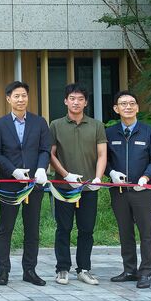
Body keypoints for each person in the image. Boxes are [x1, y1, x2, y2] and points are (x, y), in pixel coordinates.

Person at [0, 81, 51, 287]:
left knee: (32, 228)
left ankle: (29, 270)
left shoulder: (39, 122)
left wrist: (41, 168)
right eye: (16, 96)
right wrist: (13, 171)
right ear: (8, 99)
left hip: (34, 183)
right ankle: (3, 270)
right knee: (6, 227)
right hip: (9, 183)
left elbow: (45, 149)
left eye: (24, 95)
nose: (20, 99)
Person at [106, 90, 151, 289]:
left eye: (132, 103)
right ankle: (129, 270)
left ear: (138, 108)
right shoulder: (110, 133)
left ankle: (145, 272)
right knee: (125, 231)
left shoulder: (149, 132)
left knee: (146, 232)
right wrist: (111, 173)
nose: (128, 107)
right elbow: (103, 160)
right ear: (116, 109)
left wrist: (146, 177)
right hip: (119, 191)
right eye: (123, 103)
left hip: (143, 191)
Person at [49, 83, 106, 286]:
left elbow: (102, 154)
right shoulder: (56, 125)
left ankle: (84, 269)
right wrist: (66, 175)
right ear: (65, 101)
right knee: (63, 228)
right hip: (63, 188)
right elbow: (51, 154)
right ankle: (62, 268)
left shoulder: (96, 125)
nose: (76, 102)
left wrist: (98, 178)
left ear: (86, 102)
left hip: (89, 187)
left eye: (80, 99)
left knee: (87, 229)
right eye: (72, 98)